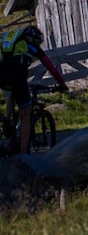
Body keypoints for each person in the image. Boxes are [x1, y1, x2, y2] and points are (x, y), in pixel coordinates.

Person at [0, 25, 68, 153]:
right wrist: (62, 83)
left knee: (13, 92)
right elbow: (50, 67)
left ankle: (7, 120)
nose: (39, 45)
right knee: (25, 117)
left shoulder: (10, 44)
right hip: (17, 79)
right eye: (38, 42)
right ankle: (23, 154)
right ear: (34, 39)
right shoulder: (31, 46)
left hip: (1, 76)